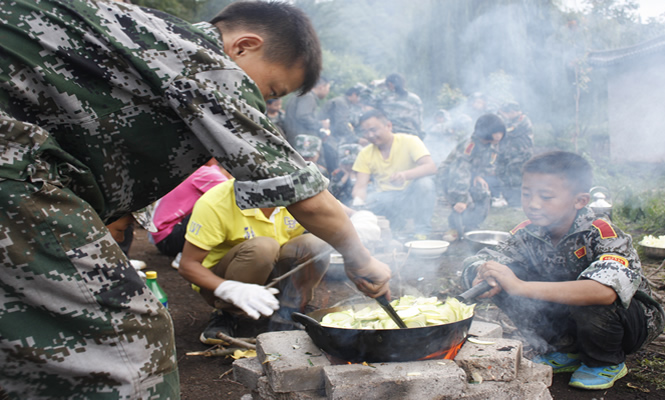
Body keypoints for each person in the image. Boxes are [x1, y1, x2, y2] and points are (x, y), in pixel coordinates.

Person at [0, 1, 391, 398]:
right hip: (13, 170)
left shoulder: (150, 39)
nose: (266, 106)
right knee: (131, 345)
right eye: (271, 91)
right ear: (243, 47)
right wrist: (361, 259)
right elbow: (303, 196)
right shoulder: (207, 62)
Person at [461, 151, 664, 390]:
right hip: (570, 316)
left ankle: (605, 360)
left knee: (590, 298)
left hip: (628, 323)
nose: (533, 204)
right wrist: (481, 270)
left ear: (579, 201)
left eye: (546, 197)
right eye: (527, 194)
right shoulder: (528, 233)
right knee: (500, 276)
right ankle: (564, 348)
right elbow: (483, 259)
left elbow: (605, 292)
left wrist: (520, 286)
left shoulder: (602, 233)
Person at [179, 178, 332, 343]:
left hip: (274, 272)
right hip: (222, 281)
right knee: (263, 247)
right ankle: (228, 314)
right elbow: (188, 265)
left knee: (317, 244)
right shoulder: (217, 202)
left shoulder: (297, 190)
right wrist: (228, 288)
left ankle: (290, 309)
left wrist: (360, 218)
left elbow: (337, 212)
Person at [351, 110, 437, 239]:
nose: (370, 135)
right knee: (369, 204)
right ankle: (393, 231)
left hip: (411, 195)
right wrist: (358, 202)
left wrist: (405, 175)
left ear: (388, 126)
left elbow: (430, 167)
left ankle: (422, 232)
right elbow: (360, 186)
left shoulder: (410, 141)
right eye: (366, 132)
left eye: (374, 130)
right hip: (385, 199)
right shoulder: (365, 153)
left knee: (425, 183)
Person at [437, 114, 505, 241]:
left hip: (469, 177)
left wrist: (479, 176)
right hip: (451, 179)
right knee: (463, 204)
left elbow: (488, 164)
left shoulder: (492, 144)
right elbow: (459, 172)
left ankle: (471, 226)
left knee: (484, 194)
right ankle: (454, 228)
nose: (499, 135)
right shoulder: (469, 145)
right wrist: (461, 198)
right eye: (496, 132)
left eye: (501, 132)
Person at [150, 160, 232, 265]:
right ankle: (187, 255)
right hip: (169, 237)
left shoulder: (198, 170)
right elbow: (235, 195)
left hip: (161, 235)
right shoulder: (207, 173)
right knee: (216, 210)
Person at [283, 77, 337, 172]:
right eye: (328, 88)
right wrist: (321, 124)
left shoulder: (301, 95)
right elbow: (303, 116)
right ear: (321, 87)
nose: (327, 92)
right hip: (304, 144)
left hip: (295, 140)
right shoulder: (308, 96)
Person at [496, 102, 534, 208]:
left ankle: (518, 202)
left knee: (516, 177)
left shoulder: (522, 120)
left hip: (521, 154)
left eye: (505, 113)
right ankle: (509, 200)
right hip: (510, 154)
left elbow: (509, 131)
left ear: (512, 112)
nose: (504, 116)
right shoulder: (512, 120)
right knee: (504, 175)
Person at [373, 73, 424, 139]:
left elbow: (367, 101)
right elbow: (419, 122)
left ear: (390, 84)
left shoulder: (383, 98)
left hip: (391, 137)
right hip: (411, 137)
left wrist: (373, 85)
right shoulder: (415, 99)